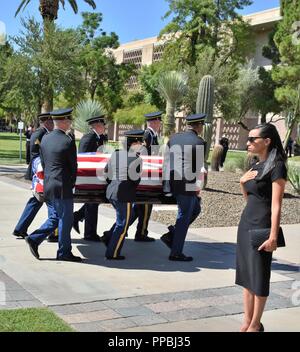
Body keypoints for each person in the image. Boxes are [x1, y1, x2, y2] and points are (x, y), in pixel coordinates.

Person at [236, 123, 287, 332]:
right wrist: (241, 182)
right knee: (246, 277)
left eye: (252, 139)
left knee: (259, 276)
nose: (248, 143)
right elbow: (251, 198)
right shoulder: (256, 166)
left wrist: (273, 235)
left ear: (267, 141)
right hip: (246, 224)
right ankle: (247, 322)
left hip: (262, 227)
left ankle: (256, 325)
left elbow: (276, 205)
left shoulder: (277, 166)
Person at [25, 108, 82, 262]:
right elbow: (73, 166)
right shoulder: (68, 141)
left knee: (56, 217)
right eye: (69, 120)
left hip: (49, 184)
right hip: (63, 185)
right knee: (66, 219)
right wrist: (72, 184)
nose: (70, 122)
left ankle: (34, 239)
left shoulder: (46, 139)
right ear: (63, 121)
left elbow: (43, 162)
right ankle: (64, 252)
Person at [161, 113, 206, 261]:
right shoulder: (199, 142)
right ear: (198, 126)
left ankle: (171, 235)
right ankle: (176, 252)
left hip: (172, 181)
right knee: (184, 215)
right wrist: (197, 186)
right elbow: (197, 167)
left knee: (195, 209)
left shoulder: (173, 138)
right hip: (186, 183)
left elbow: (166, 161)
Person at [103, 130, 143, 260]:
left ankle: (109, 236)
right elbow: (135, 180)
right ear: (134, 143)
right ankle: (113, 253)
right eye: (140, 142)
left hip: (111, 191)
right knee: (123, 224)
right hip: (123, 195)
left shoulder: (116, 154)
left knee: (127, 216)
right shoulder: (136, 159)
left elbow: (107, 173)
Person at [13, 113, 54, 239]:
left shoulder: (44, 133)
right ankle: (53, 232)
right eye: (52, 122)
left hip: (43, 174)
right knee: (49, 201)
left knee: (36, 201)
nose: (53, 124)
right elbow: (35, 155)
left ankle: (20, 228)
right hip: (40, 174)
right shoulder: (40, 134)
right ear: (47, 122)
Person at [73, 114, 107, 242]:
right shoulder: (89, 138)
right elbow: (83, 159)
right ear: (97, 125)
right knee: (93, 203)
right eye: (103, 125)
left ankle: (78, 218)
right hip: (89, 177)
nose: (104, 127)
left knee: (94, 203)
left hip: (97, 176)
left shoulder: (99, 138)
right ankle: (89, 233)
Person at [131, 111, 162, 242]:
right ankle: (141, 233)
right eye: (158, 121)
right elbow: (143, 156)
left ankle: (138, 231)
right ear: (154, 122)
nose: (160, 124)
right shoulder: (147, 135)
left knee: (140, 207)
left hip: (148, 174)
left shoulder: (152, 135)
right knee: (145, 205)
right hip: (144, 176)